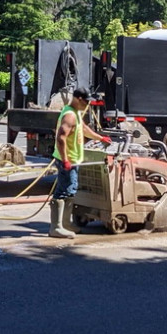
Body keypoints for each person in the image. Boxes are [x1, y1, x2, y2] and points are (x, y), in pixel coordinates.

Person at [50, 87, 110, 238]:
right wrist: (65, 160)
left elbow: (84, 129)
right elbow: (61, 137)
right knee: (63, 191)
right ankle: (55, 228)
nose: (87, 104)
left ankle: (65, 224)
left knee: (70, 190)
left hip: (73, 160)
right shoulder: (69, 115)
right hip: (67, 160)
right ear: (78, 99)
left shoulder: (75, 113)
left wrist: (100, 138)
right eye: (86, 101)